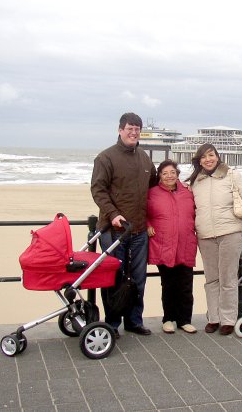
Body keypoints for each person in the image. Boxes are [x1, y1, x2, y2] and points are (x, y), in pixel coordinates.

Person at [91, 112, 158, 337]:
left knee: (138, 278)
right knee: (113, 278)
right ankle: (111, 324)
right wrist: (112, 214)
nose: (133, 132)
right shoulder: (105, 158)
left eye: (137, 129)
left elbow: (156, 186)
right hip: (113, 230)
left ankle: (133, 321)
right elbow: (98, 190)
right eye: (129, 128)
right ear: (120, 130)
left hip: (139, 231)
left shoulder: (145, 158)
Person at [187, 143, 242, 335]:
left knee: (228, 278)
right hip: (204, 236)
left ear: (217, 156)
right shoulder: (197, 180)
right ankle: (214, 317)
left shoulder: (231, 175)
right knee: (211, 279)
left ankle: (228, 319)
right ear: (199, 160)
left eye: (211, 155)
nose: (208, 159)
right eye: (203, 157)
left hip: (230, 233)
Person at [146, 159, 198, 334]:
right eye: (165, 173)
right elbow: (142, 212)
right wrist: (147, 225)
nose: (169, 176)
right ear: (159, 176)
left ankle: (185, 320)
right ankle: (168, 319)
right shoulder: (152, 193)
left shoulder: (188, 192)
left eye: (172, 173)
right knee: (168, 284)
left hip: (185, 244)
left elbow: (200, 211)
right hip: (164, 245)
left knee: (185, 284)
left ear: (177, 175)